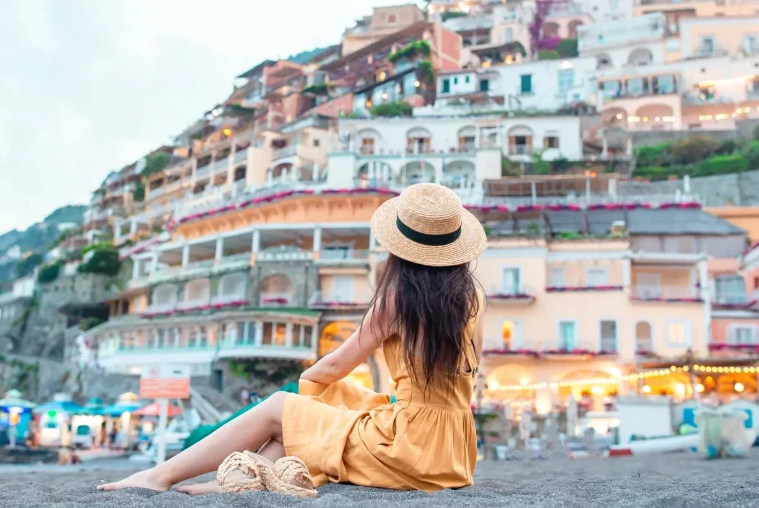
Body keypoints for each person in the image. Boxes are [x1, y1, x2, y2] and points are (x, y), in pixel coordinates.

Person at [99, 183, 487, 496]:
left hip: (408, 449)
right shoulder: (474, 298)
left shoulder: (397, 299)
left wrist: (300, 396)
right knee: (345, 397)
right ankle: (240, 481)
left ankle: (159, 476)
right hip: (452, 453)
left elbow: (335, 364)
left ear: (400, 248)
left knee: (281, 407)